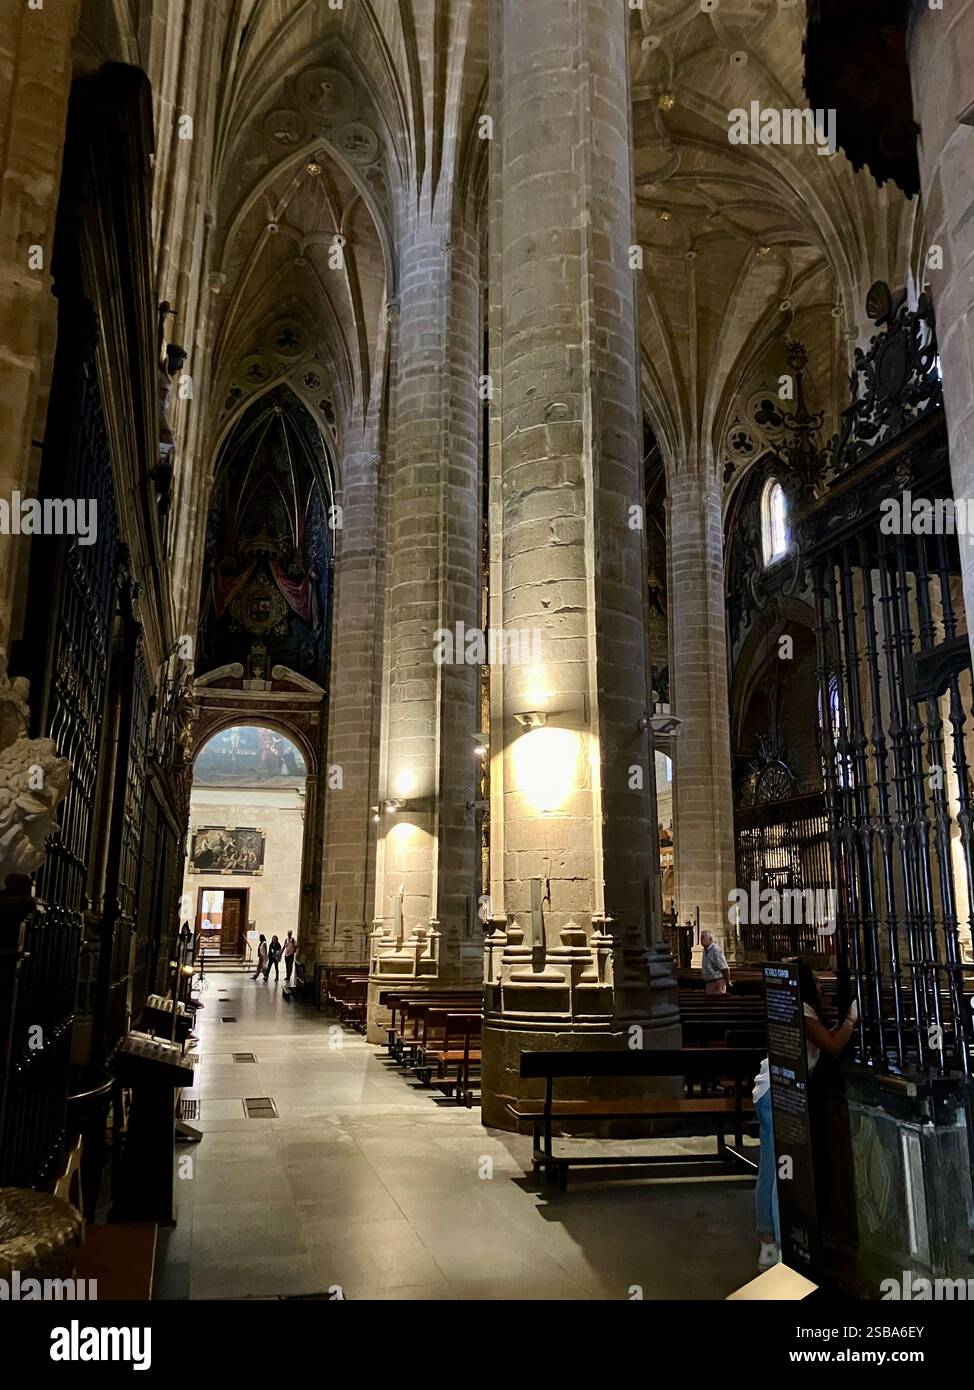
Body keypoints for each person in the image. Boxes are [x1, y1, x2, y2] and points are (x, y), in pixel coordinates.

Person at [753, 960, 859, 1270]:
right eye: (814, 979)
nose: (819, 983)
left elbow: (818, 1041)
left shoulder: (789, 1004)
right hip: (781, 1093)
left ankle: (768, 1243)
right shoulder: (802, 1008)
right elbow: (833, 1047)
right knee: (784, 1173)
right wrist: (852, 1019)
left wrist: (837, 1027)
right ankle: (787, 1250)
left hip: (767, 1089)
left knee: (771, 1169)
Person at [700, 930, 731, 995]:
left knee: (717, 1003)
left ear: (710, 939)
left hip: (718, 982)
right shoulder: (705, 949)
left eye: (703, 937)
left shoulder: (715, 949)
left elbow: (724, 967)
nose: (701, 939)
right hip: (709, 982)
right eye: (701, 937)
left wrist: (727, 982)